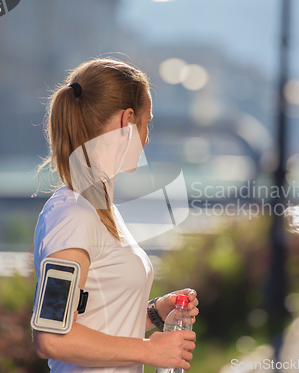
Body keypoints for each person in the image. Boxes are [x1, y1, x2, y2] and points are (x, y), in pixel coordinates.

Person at [32, 57, 199, 373]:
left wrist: (154, 314)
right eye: (147, 123)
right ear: (127, 122)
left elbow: (99, 320)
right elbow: (51, 337)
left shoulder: (101, 211)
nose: (147, 138)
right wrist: (151, 351)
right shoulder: (72, 214)